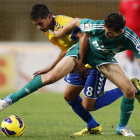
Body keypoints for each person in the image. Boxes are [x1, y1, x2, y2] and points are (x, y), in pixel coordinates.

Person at [0, 4, 140, 136]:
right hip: (81, 51)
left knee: (124, 92)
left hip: (101, 60)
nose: (106, 34)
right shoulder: (98, 26)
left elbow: (83, 34)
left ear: (120, 31)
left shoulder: (132, 39)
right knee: (53, 79)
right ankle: (8, 100)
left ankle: (122, 125)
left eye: (109, 33)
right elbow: (76, 23)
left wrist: (77, 56)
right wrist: (60, 37)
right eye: (105, 30)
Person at [119, 0, 140, 79]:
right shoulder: (123, 2)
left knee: (138, 52)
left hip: (138, 30)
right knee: (129, 54)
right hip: (128, 31)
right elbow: (121, 15)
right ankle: (131, 77)